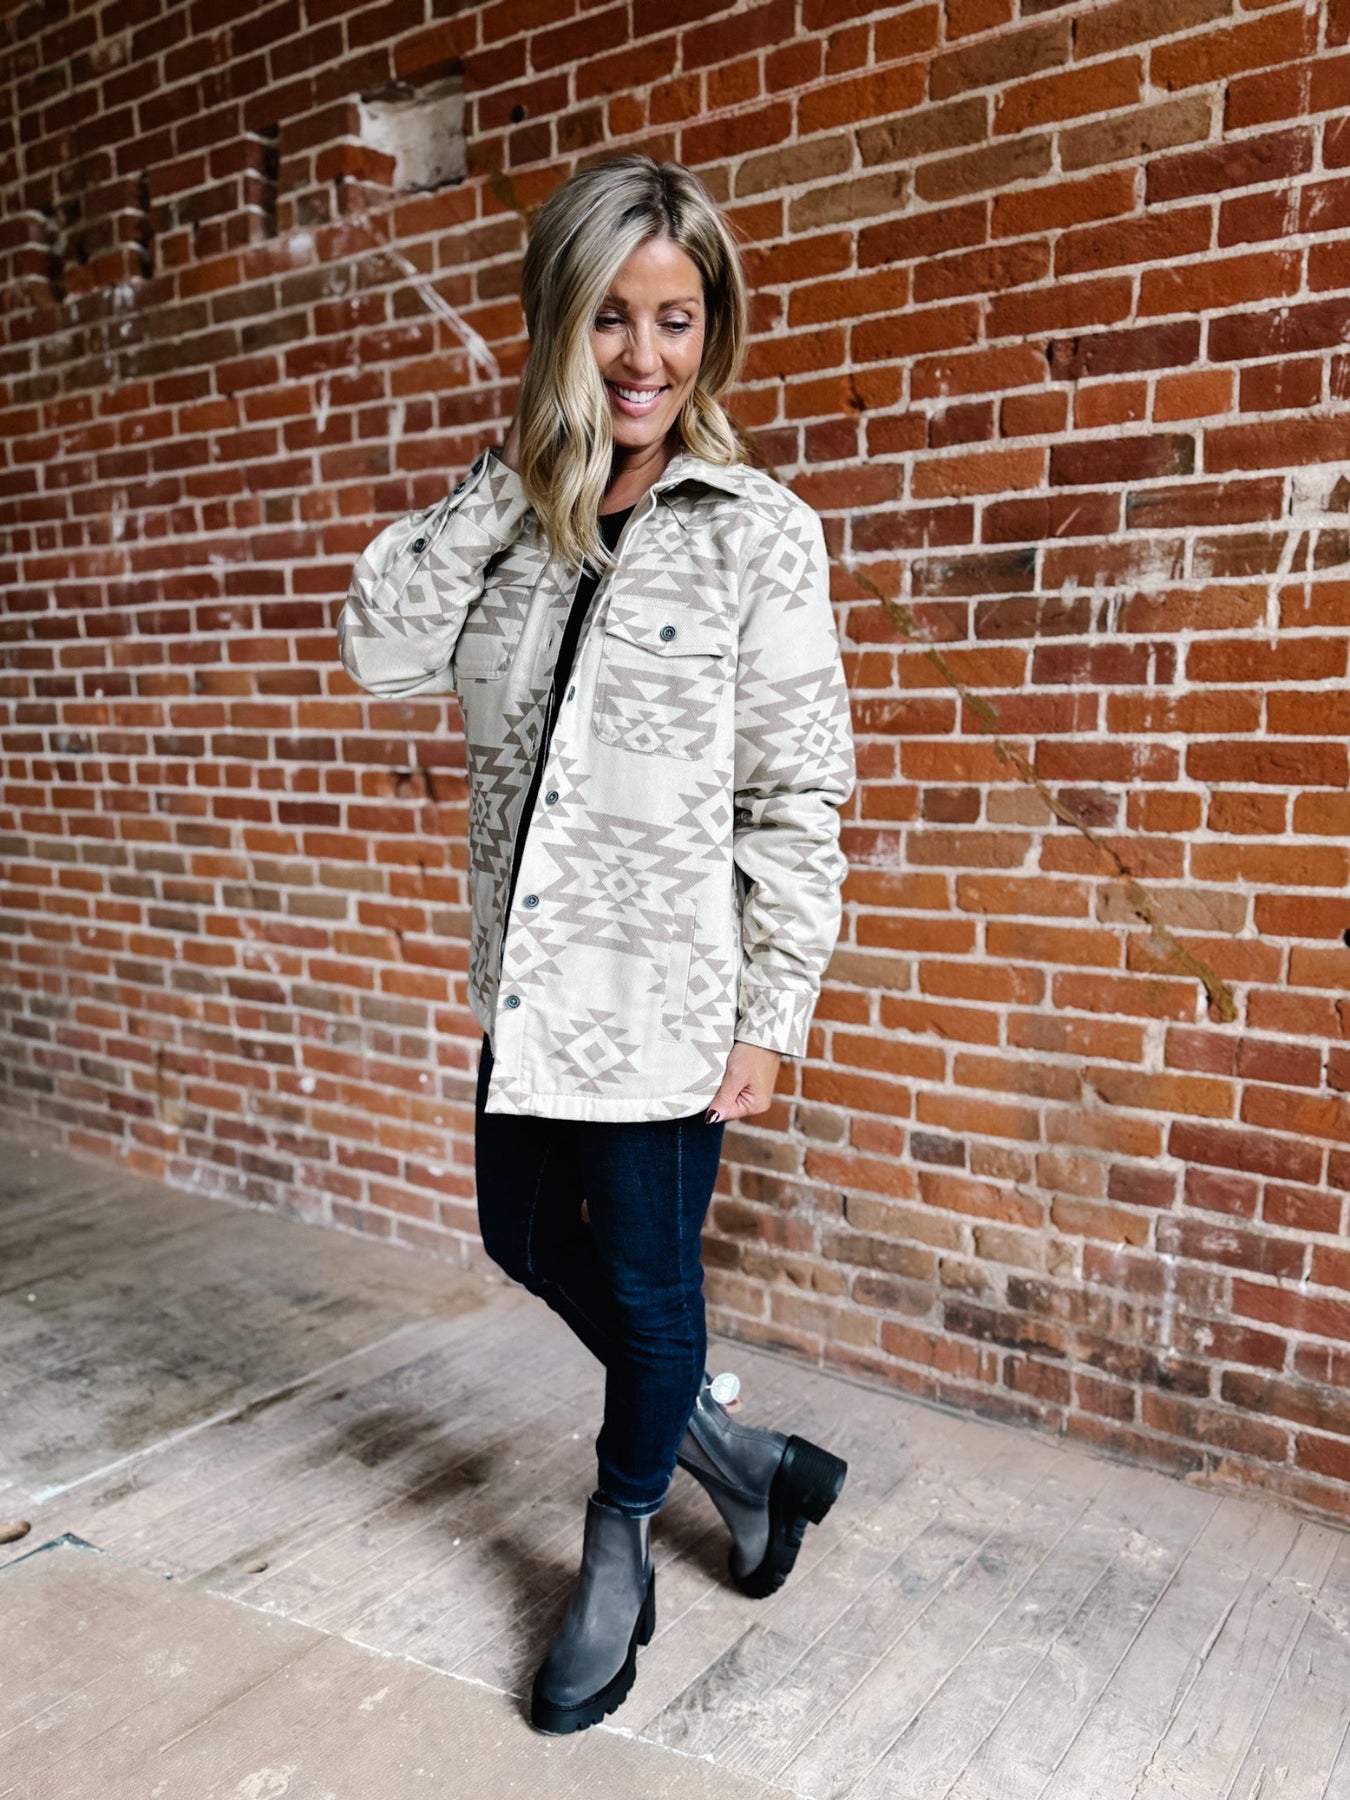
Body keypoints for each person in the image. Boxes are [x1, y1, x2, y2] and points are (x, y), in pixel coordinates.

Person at [337, 153, 856, 1736]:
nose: (642, 356)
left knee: (644, 1285)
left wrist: (769, 1013)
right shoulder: (513, 521)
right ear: (556, 320)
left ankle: (619, 1538)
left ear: (713, 330)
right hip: (529, 988)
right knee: (520, 1235)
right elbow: (379, 648)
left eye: (675, 319)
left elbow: (794, 794)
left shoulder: (757, 532)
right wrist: (511, 475)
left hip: (665, 1000)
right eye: (608, 317)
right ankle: (740, 1462)